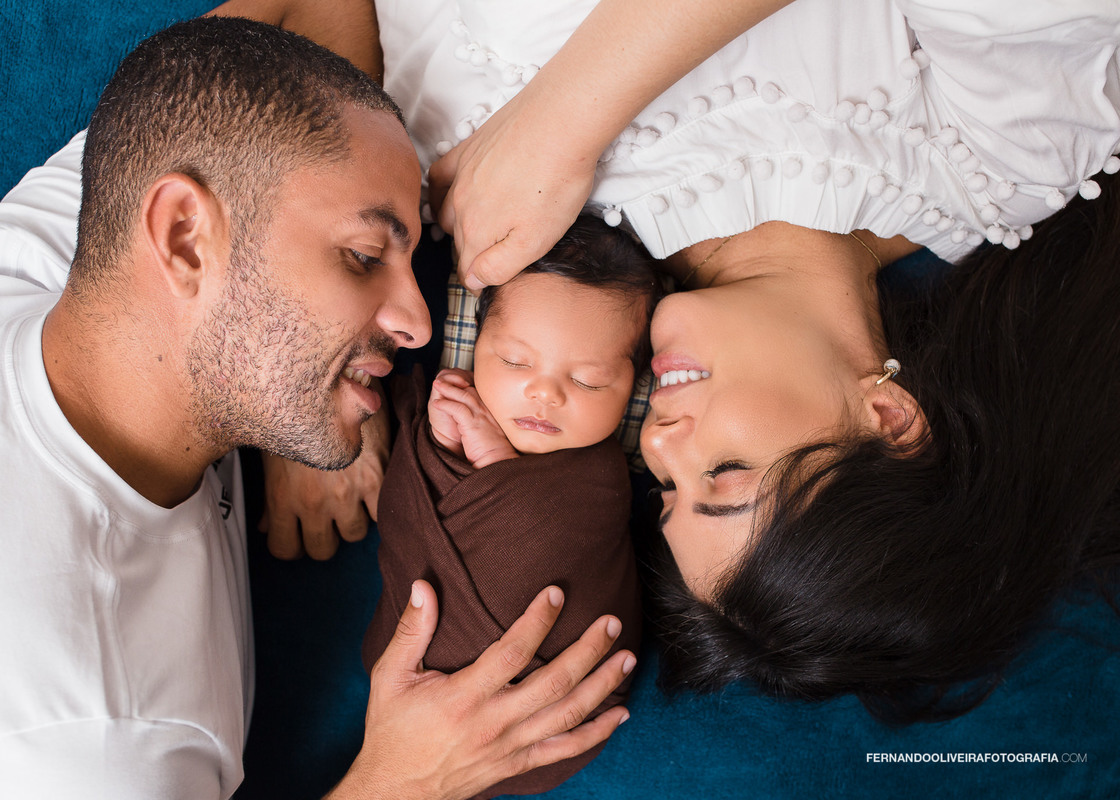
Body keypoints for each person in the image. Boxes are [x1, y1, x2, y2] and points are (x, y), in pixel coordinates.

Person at [0, 17, 636, 798]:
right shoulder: (87, 744)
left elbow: (308, 18)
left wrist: (292, 414)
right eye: (363, 257)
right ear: (187, 239)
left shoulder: (27, 271)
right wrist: (401, 782)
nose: (420, 325)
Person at [367, 0, 1120, 721]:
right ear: (889, 417)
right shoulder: (1006, 155)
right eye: (723, 476)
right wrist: (563, 120)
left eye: (665, 488)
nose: (658, 442)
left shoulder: (512, 243)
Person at [361, 216, 658, 796]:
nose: (545, 392)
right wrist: (440, 442)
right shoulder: (451, 408)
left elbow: (566, 535)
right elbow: (409, 505)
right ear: (478, 348)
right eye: (516, 363)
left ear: (633, 390)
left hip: (560, 702)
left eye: (591, 381)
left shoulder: (600, 477)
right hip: (406, 687)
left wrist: (493, 459)